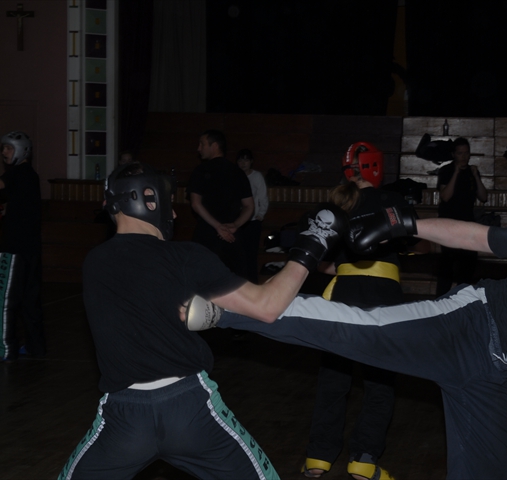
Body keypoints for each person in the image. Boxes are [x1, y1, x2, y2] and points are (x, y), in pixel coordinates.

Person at [187, 198, 507, 480]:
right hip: (467, 325)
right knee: (355, 328)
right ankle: (224, 308)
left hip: (491, 374)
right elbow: (474, 236)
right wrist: (404, 224)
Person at [57, 161, 348, 479]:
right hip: (191, 410)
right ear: (148, 201)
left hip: (124, 419)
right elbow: (268, 306)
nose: (175, 215)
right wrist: (313, 242)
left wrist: (213, 314)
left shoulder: (94, 263)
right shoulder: (185, 258)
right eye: (169, 206)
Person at [302, 142, 410, 480]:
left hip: (344, 293)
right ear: (375, 167)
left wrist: (344, 266)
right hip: (382, 294)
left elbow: (320, 260)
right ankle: (363, 460)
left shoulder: (334, 205)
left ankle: (318, 459)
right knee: (380, 381)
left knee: (334, 378)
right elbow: (410, 240)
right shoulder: (391, 200)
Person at [0, 131, 46, 362]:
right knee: (30, 300)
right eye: (4, 149)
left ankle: (6, 348)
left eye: (9, 148)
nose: (4, 153)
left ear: (21, 150)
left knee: (6, 299)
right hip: (30, 249)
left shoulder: (18, 174)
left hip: (15, 249)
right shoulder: (30, 176)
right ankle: (36, 347)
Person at [187, 129, 254, 279]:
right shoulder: (237, 172)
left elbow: (195, 204)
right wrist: (235, 225)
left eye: (202, 144)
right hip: (232, 237)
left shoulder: (201, 170)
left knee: (203, 283)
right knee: (234, 284)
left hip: (207, 235)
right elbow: (249, 206)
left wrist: (218, 226)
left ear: (215, 146)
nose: (199, 148)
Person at [436, 137, 487, 296]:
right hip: (448, 223)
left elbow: (483, 197)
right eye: (460, 153)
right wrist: (456, 173)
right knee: (447, 265)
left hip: (467, 223)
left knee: (468, 264)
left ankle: (462, 300)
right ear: (453, 154)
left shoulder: (473, 171)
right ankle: (441, 300)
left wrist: (476, 176)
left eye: (466, 153)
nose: (464, 157)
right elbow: (445, 196)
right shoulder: (446, 170)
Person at [236, 148, 269, 283]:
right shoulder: (235, 176)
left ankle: (252, 283)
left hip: (253, 221)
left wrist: (260, 214)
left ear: (251, 162)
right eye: (240, 160)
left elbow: (263, 197)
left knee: (251, 254)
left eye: (246, 160)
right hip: (237, 221)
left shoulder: (257, 177)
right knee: (238, 254)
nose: (243, 163)